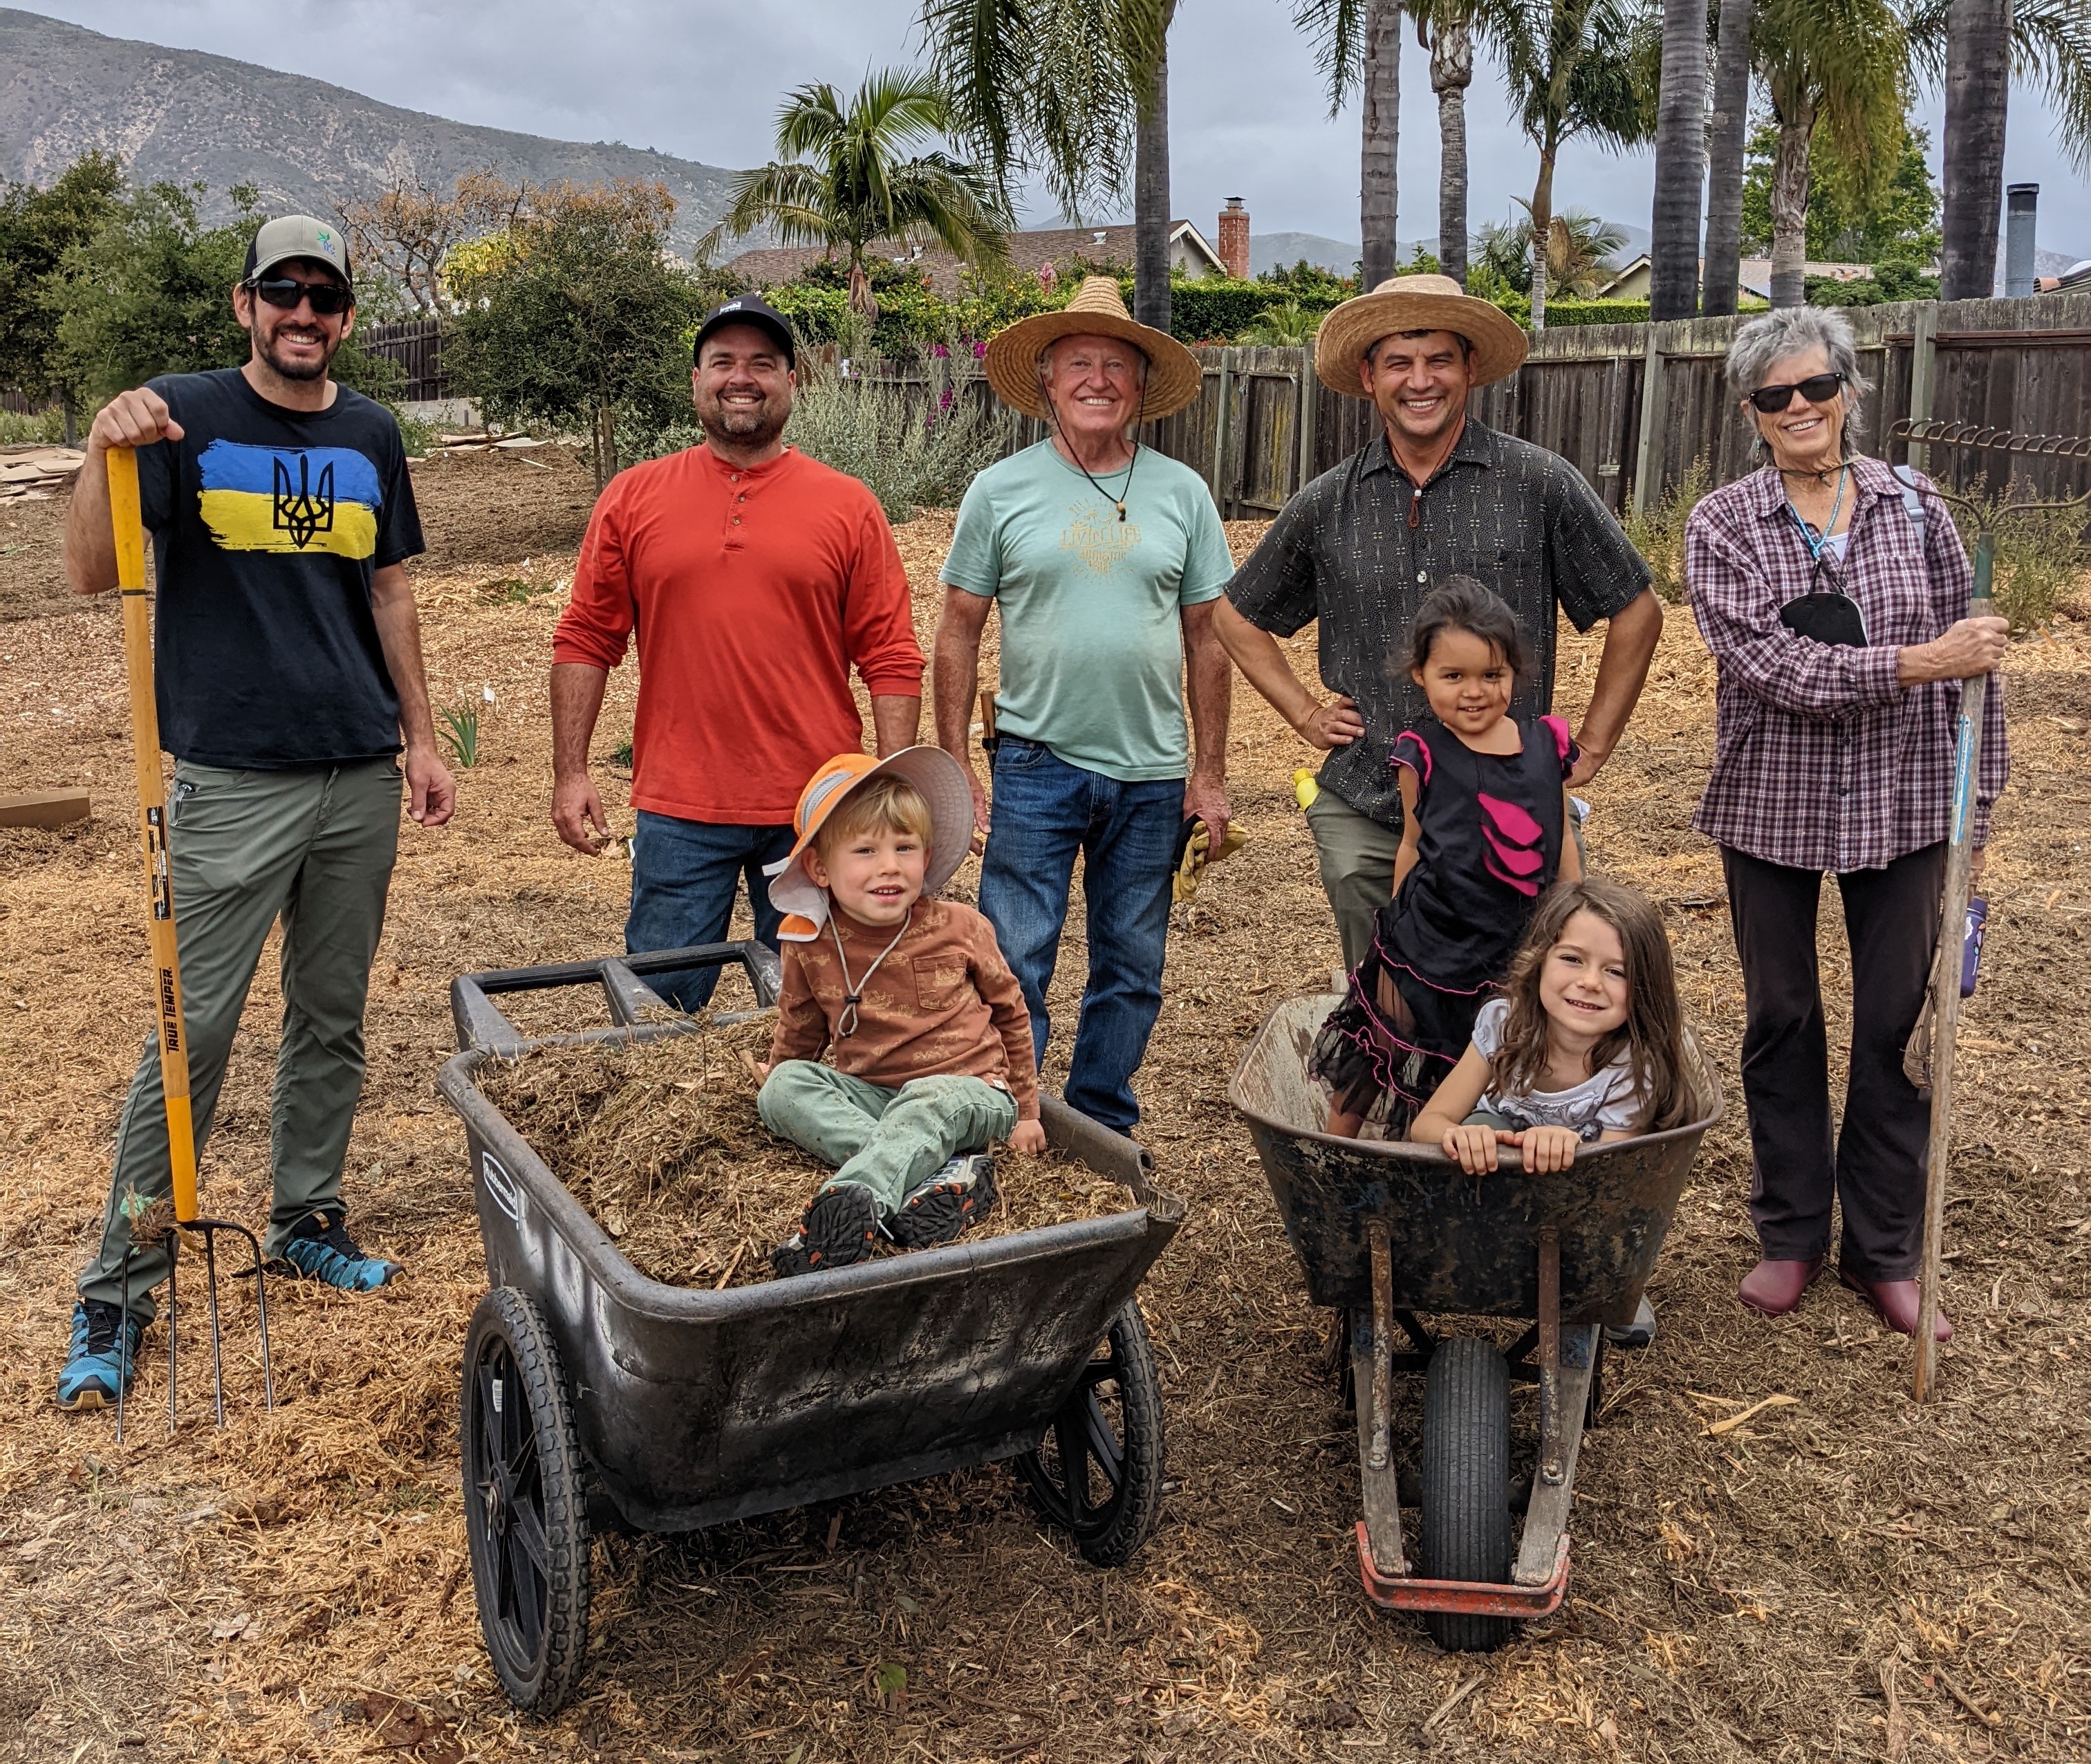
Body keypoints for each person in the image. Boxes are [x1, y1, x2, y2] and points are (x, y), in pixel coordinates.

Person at [57, 216, 455, 1411]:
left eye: (323, 297)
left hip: (354, 771)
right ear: (246, 305)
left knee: (329, 1017)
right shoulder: (180, 417)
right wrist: (98, 446)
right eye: (281, 291)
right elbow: (87, 569)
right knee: (195, 1034)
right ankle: (121, 1282)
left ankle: (305, 1215)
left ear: (343, 316)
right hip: (230, 775)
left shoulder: (371, 431)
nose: (302, 313)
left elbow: (387, 591)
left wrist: (422, 738)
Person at [1686, 305, 2009, 1341]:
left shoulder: (1918, 510)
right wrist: (1920, 661)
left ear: (1849, 392)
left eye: (1815, 388)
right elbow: (1771, 669)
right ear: (1752, 410)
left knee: (1897, 1026)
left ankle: (1884, 1251)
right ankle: (1789, 1236)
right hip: (1770, 802)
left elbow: (1978, 675)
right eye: (1774, 395)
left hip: (1910, 799)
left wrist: (1979, 808)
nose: (1799, 409)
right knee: (1781, 1015)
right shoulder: (1723, 524)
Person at [1217, 273, 1664, 972]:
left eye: (1438, 361)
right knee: (1388, 1012)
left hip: (1511, 816)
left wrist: (1595, 744)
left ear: (1469, 369)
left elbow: (1636, 607)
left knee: (1519, 1011)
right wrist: (1304, 713)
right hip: (1369, 809)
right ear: (1369, 377)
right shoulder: (1326, 503)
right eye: (1399, 361)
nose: (1419, 380)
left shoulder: (1537, 483)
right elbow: (1235, 614)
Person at [550, 295, 924, 1010]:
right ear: (696, 380)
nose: (741, 378)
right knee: (660, 1012)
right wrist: (570, 772)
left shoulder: (848, 506)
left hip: (817, 807)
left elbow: (891, 654)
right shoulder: (633, 498)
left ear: (793, 382)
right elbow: (586, 638)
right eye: (723, 362)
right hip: (681, 806)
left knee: (819, 1012)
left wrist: (886, 787)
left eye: (762, 363)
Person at [932, 278, 1234, 1132]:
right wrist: (952, 754)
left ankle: (1101, 1122)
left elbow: (1209, 641)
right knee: (1014, 956)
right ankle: (1012, 1111)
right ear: (1050, 382)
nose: (1097, 379)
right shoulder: (1001, 490)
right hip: (1035, 760)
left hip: (1152, 772)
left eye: (1115, 365)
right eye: (1079, 364)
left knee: (1132, 965)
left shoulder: (1183, 493)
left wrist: (1209, 774)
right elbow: (958, 628)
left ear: (1139, 386)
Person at [754, 748, 1046, 1274]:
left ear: (927, 857)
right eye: (865, 850)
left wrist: (1025, 1109)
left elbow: (1011, 1012)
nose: (889, 865)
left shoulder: (960, 926)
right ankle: (939, 1175)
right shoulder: (810, 941)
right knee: (781, 1088)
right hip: (877, 1099)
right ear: (820, 867)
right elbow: (799, 1025)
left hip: (970, 1091)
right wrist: (779, 1071)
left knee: (930, 1095)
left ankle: (844, 1207)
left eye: (904, 847)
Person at [1310, 581, 1581, 1141]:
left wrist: (1568, 930)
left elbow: (1563, 853)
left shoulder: (1546, 745)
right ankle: (1334, 1153)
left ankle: (1444, 1170)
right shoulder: (1421, 752)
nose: (1474, 692)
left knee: (1474, 1066)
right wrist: (1396, 925)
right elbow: (1413, 841)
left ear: (1514, 672)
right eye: (1453, 676)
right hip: (1426, 941)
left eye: (1492, 675)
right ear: (1421, 675)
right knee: (1381, 1043)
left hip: (1514, 943)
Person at [1411, 878, 1701, 1176]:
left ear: (1644, 988)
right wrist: (1459, 1136)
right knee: (1478, 1125)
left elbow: (1612, 1174)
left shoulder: (1634, 1067)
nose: (1589, 982)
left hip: (1575, 1197)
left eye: (1616, 971)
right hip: (1491, 1175)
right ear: (1538, 962)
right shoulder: (1505, 1024)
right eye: (1572, 959)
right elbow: (1427, 1124)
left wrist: (1570, 1148)